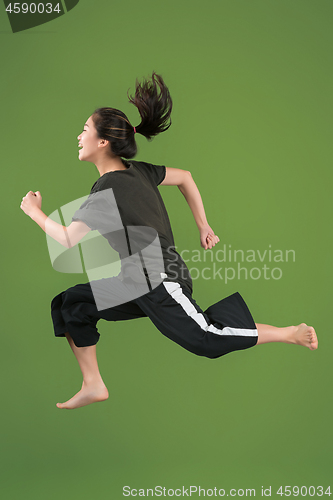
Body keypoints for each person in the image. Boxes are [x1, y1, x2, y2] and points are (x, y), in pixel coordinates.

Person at [20, 72, 318, 410]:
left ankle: (289, 333)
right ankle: (93, 383)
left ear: (103, 141)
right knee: (72, 304)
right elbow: (185, 178)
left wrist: (34, 211)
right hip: (135, 280)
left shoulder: (106, 189)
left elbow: (67, 238)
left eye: (85, 130)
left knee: (206, 337)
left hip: (160, 277)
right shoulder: (139, 171)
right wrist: (203, 225)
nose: (79, 136)